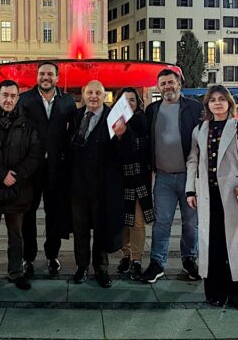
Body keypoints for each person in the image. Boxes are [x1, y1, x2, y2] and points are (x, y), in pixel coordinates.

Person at [186, 85, 238, 310]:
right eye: (213, 99)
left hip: (234, 195)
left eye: (222, 99)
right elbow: (193, 161)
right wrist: (190, 190)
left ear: (229, 103)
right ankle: (214, 291)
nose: (217, 103)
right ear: (207, 105)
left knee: (235, 245)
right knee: (212, 244)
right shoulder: (200, 130)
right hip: (208, 194)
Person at [141, 67, 203, 284]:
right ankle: (157, 263)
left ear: (179, 84)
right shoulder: (152, 110)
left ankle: (190, 260)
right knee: (162, 222)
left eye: (171, 82)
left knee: (190, 223)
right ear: (158, 87)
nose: (167, 86)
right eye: (163, 83)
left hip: (189, 177)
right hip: (164, 177)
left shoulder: (194, 108)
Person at [0, 80, 42, 291]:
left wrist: (16, 175)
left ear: (18, 98)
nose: (8, 100)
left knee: (16, 233)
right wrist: (1, 174)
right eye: (5, 95)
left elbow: (35, 155)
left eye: (13, 96)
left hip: (18, 187)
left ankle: (16, 271)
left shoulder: (28, 122)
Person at [18, 61, 77, 277]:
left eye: (50, 74)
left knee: (55, 213)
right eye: (42, 73)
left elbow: (73, 132)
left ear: (57, 78)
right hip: (31, 167)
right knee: (28, 213)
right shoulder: (24, 100)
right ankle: (28, 257)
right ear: (37, 77)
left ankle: (52, 255)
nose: (46, 77)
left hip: (56, 167)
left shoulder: (67, 101)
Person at [69, 80, 124, 288]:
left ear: (104, 96)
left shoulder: (114, 118)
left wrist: (121, 137)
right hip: (78, 186)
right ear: (83, 94)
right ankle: (81, 266)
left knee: (102, 229)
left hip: (103, 186)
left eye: (98, 93)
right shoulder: (75, 117)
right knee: (80, 229)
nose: (93, 96)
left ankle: (101, 268)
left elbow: (124, 153)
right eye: (90, 92)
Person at [112, 87, 155, 281]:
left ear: (137, 103)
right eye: (124, 100)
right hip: (119, 179)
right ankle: (125, 254)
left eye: (132, 100)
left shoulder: (142, 122)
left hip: (139, 178)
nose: (128, 103)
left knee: (137, 221)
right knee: (123, 221)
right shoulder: (112, 125)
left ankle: (136, 259)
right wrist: (119, 135)